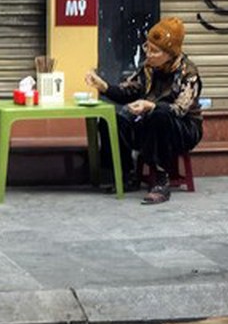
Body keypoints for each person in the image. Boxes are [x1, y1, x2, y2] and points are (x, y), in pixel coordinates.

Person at [85, 17, 204, 205]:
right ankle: (126, 174)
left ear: (170, 54)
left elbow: (180, 109)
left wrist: (151, 106)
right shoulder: (149, 67)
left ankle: (161, 180)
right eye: (147, 47)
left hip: (183, 129)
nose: (149, 53)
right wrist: (105, 86)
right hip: (149, 123)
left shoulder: (188, 73)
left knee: (160, 115)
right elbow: (129, 91)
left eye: (155, 51)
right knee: (112, 120)